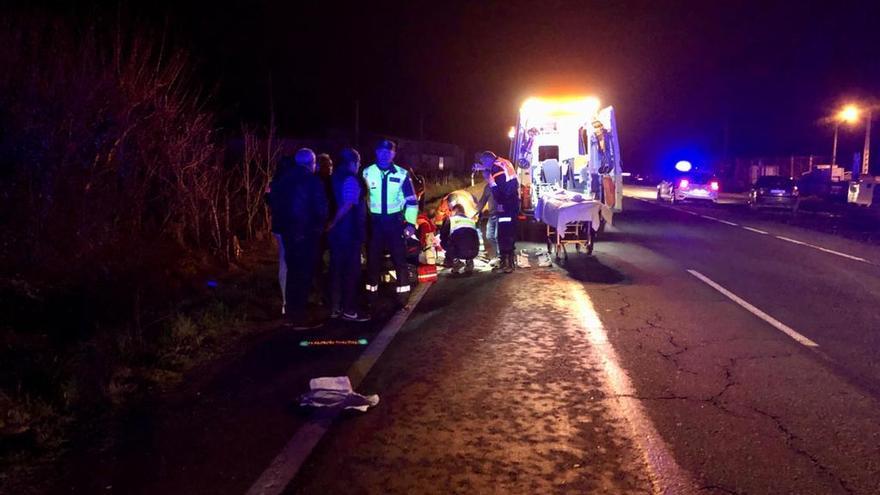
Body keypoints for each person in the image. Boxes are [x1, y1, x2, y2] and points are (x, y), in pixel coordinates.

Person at [269, 148, 329, 329]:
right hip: (306, 233)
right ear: (312, 164)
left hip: (287, 233)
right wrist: (319, 227)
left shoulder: (281, 180)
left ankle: (290, 314)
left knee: (292, 272)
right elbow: (321, 209)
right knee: (303, 275)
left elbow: (272, 203)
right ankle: (300, 319)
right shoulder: (313, 181)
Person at [362, 139, 419, 307]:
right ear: (376, 152)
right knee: (373, 261)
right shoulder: (366, 172)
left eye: (389, 152)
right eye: (381, 151)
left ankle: (403, 297)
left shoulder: (402, 174)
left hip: (395, 223)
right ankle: (371, 297)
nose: (385, 154)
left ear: (394, 154)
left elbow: (411, 201)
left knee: (400, 260)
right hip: (375, 224)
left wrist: (410, 224)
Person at [327, 148, 370, 322]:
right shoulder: (350, 178)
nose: (359, 165)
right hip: (349, 232)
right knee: (351, 272)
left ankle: (335, 308)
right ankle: (350, 309)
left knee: (336, 270)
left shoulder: (334, 176)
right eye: (358, 162)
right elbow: (348, 204)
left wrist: (331, 225)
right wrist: (334, 222)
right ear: (353, 162)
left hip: (338, 234)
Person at [479, 150, 519, 274]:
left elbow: (501, 188)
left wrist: (490, 181)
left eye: (483, 163)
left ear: (488, 160)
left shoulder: (496, 169)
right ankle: (508, 262)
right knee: (508, 233)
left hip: (505, 204)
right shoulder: (504, 162)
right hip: (513, 202)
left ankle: (507, 263)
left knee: (503, 234)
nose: (484, 166)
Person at [440, 204, 479, 275]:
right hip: (474, 252)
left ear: (454, 211)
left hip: (459, 252)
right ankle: (469, 262)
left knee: (445, 241)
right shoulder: (471, 221)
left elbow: (443, 236)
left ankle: (456, 262)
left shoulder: (451, 220)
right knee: (467, 239)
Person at [475, 171, 499, 267]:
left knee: (497, 236)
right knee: (489, 236)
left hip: (499, 215)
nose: (486, 179)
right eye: (485, 177)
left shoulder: (498, 186)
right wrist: (474, 212)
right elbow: (482, 202)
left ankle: (501, 257)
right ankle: (498, 255)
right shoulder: (487, 188)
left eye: (487, 177)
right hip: (491, 215)